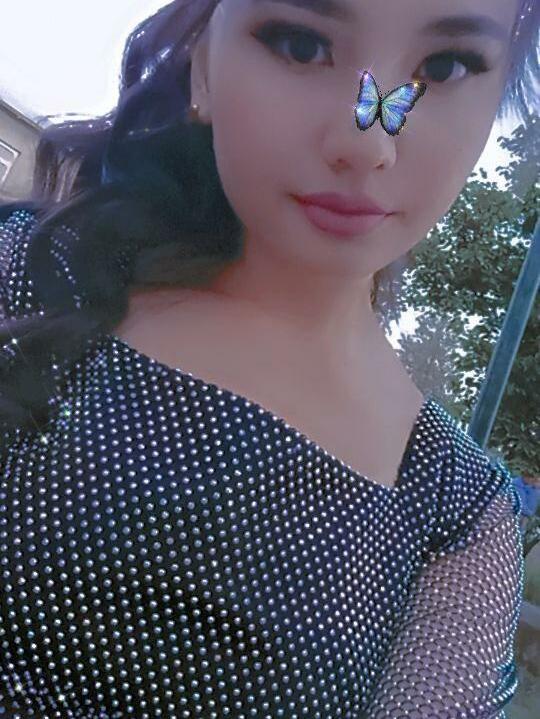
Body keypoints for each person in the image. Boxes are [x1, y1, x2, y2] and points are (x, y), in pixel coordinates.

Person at [0, 0, 537, 716]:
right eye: (300, 44)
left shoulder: (457, 513)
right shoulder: (24, 271)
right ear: (204, 68)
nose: (366, 147)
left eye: (444, 67)